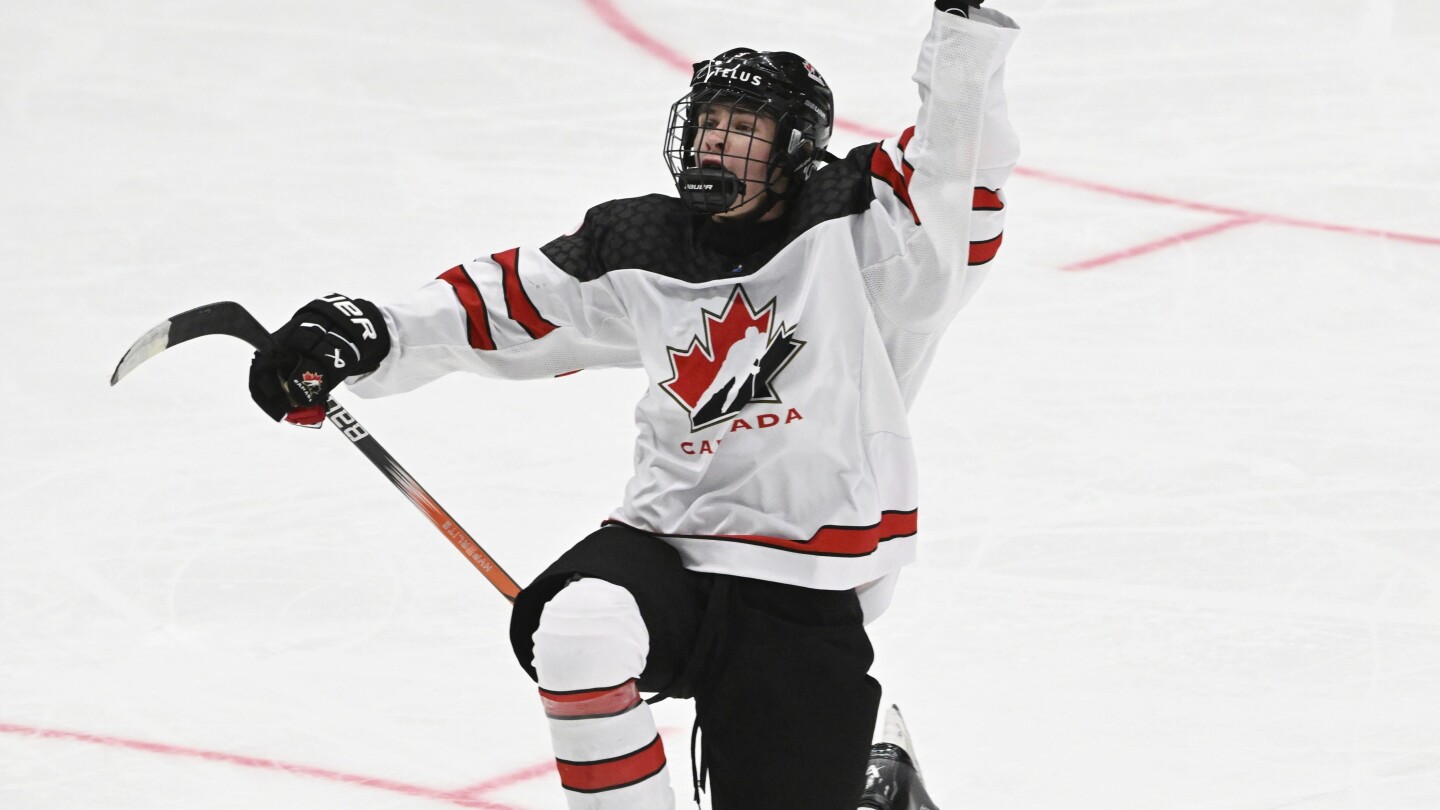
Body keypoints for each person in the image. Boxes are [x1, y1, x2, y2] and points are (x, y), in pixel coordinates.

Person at [248, 2, 1019, 807]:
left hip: (804, 582)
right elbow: (512, 304)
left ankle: (875, 784)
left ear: (795, 146)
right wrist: (372, 332)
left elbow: (954, 165)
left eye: (744, 124)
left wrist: (963, 32)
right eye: (708, 121)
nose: (716, 138)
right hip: (665, 549)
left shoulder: (864, 235)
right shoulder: (643, 244)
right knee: (580, 631)